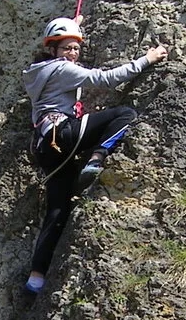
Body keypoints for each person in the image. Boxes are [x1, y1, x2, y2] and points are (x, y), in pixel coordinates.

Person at [21, 16, 169, 294]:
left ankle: (35, 279)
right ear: (53, 49)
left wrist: (72, 28)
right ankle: (97, 157)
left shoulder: (37, 72)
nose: (73, 54)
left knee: (57, 209)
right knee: (125, 114)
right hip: (62, 134)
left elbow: (65, 54)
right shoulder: (62, 68)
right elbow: (104, 79)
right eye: (67, 48)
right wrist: (147, 59)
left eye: (76, 49)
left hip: (45, 148)